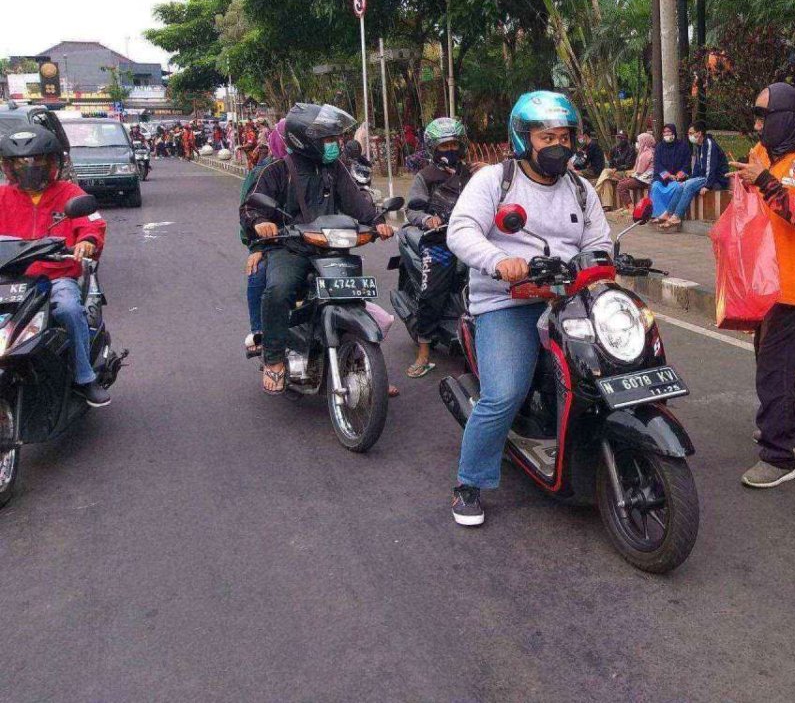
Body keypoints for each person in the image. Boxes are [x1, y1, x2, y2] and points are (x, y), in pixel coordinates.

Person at [445, 91, 612, 526]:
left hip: (570, 298)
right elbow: (460, 230)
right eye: (546, 137)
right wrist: (499, 260)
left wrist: (603, 262)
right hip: (508, 300)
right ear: (524, 139)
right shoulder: (494, 181)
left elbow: (599, 241)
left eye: (564, 137)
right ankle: (469, 482)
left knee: (618, 367)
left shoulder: (580, 189)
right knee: (504, 392)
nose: (558, 146)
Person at [240, 102, 395, 394]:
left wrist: (377, 222)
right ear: (304, 140)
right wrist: (261, 222)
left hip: (330, 248)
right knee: (279, 290)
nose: (335, 144)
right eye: (328, 139)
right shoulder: (276, 170)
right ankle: (274, 360)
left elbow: (358, 204)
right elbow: (250, 208)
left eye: (335, 138)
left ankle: (368, 368)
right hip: (291, 248)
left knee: (354, 296)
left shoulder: (335, 169)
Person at [728, 83, 795, 489]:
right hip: (765, 280)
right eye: (756, 117)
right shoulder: (762, 153)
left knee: (774, 369)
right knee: (774, 362)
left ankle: (777, 456)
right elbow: (757, 203)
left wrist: (765, 180)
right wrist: (747, 183)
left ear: (786, 118)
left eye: (764, 117)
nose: (758, 126)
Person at [0, 126, 110, 406]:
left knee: (70, 310)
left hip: (55, 278)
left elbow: (92, 224)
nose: (29, 167)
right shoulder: (2, 197)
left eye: (37, 160)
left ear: (52, 162)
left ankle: (85, 378)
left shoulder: (69, 193)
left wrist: (86, 241)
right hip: (11, 279)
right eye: (20, 162)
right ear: (9, 166)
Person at [404, 117, 474, 379]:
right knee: (432, 292)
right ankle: (423, 352)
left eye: (454, 145)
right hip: (439, 241)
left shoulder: (472, 174)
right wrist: (427, 220)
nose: (450, 150)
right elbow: (413, 209)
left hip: (473, 238)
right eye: (444, 146)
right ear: (434, 149)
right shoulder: (425, 177)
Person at [239, 123, 289, 355]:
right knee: (257, 272)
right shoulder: (263, 172)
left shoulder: (319, 167)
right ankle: (260, 333)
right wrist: (256, 245)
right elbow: (247, 212)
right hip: (273, 241)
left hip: (315, 240)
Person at [655, 122, 729, 232]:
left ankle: (677, 217)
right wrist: (691, 179)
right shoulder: (699, 145)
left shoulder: (709, 144)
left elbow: (711, 167)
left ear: (699, 133)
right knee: (681, 186)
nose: (689, 136)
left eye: (691, 133)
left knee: (689, 186)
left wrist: (707, 186)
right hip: (704, 177)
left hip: (716, 178)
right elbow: (698, 166)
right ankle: (668, 213)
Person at [648, 124, 691, 219]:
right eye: (664, 132)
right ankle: (658, 215)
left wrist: (679, 175)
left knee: (677, 187)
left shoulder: (683, 146)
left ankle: (670, 214)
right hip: (662, 178)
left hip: (677, 178)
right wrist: (668, 175)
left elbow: (687, 163)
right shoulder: (659, 147)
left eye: (669, 131)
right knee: (655, 187)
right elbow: (657, 164)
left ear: (674, 132)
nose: (666, 134)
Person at [595, 129, 635, 211]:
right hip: (614, 172)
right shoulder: (614, 149)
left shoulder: (631, 149)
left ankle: (595, 192)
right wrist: (613, 169)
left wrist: (617, 168)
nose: (620, 140)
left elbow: (629, 165)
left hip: (625, 172)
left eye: (622, 138)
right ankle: (607, 205)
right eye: (619, 138)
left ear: (626, 139)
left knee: (606, 172)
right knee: (606, 180)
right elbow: (611, 163)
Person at [616, 131, 656, 211]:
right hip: (645, 178)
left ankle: (631, 207)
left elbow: (639, 171)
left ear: (644, 142)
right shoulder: (649, 151)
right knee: (623, 181)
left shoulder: (646, 154)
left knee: (621, 185)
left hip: (645, 180)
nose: (637, 143)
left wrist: (631, 175)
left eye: (638, 141)